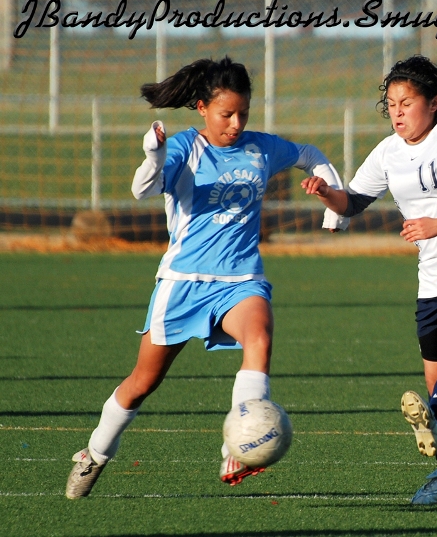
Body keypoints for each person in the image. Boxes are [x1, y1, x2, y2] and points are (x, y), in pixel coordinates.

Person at [65, 56, 348, 499]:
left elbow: (310, 155)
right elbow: (142, 188)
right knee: (142, 383)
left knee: (260, 338)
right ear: (202, 108)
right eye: (226, 114)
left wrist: (334, 203)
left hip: (241, 279)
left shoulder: (261, 148)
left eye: (243, 113)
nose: (236, 124)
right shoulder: (185, 147)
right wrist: (154, 154)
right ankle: (94, 453)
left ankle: (236, 446)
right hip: (183, 282)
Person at [302, 55, 437, 505]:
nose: (397, 112)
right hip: (432, 278)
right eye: (391, 104)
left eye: (407, 103)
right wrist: (327, 194)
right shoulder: (388, 152)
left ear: (434, 103)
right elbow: (352, 203)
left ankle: (434, 417)